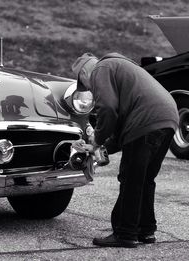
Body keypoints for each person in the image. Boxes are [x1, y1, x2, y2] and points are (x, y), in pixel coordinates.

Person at [72, 52, 179, 248]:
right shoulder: (121, 69)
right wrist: (101, 147)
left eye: (84, 83)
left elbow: (108, 109)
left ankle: (125, 233)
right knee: (145, 178)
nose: (88, 88)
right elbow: (121, 125)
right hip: (168, 116)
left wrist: (96, 137)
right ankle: (146, 231)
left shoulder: (100, 69)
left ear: (86, 71)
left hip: (147, 119)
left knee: (130, 178)